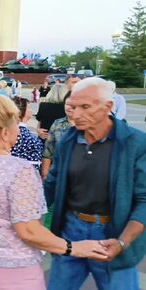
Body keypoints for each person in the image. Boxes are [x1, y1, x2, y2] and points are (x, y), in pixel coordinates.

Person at [0, 94, 108, 290]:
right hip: (15, 270)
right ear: (5, 133)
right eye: (16, 122)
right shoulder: (19, 170)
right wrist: (75, 248)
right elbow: (29, 232)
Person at [44, 77, 146, 290]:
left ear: (108, 107)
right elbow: (51, 184)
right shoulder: (68, 141)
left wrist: (122, 243)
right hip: (71, 232)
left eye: (85, 107)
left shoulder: (134, 143)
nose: (76, 114)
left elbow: (144, 200)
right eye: (72, 107)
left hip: (113, 234)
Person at [41, 93, 75, 180]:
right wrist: (45, 175)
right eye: (67, 104)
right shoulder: (57, 124)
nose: (69, 107)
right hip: (58, 172)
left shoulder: (85, 125)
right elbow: (48, 151)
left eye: (73, 105)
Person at [10, 97, 43, 170]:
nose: (31, 110)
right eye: (29, 108)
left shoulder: (6, 133)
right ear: (21, 111)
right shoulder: (30, 139)